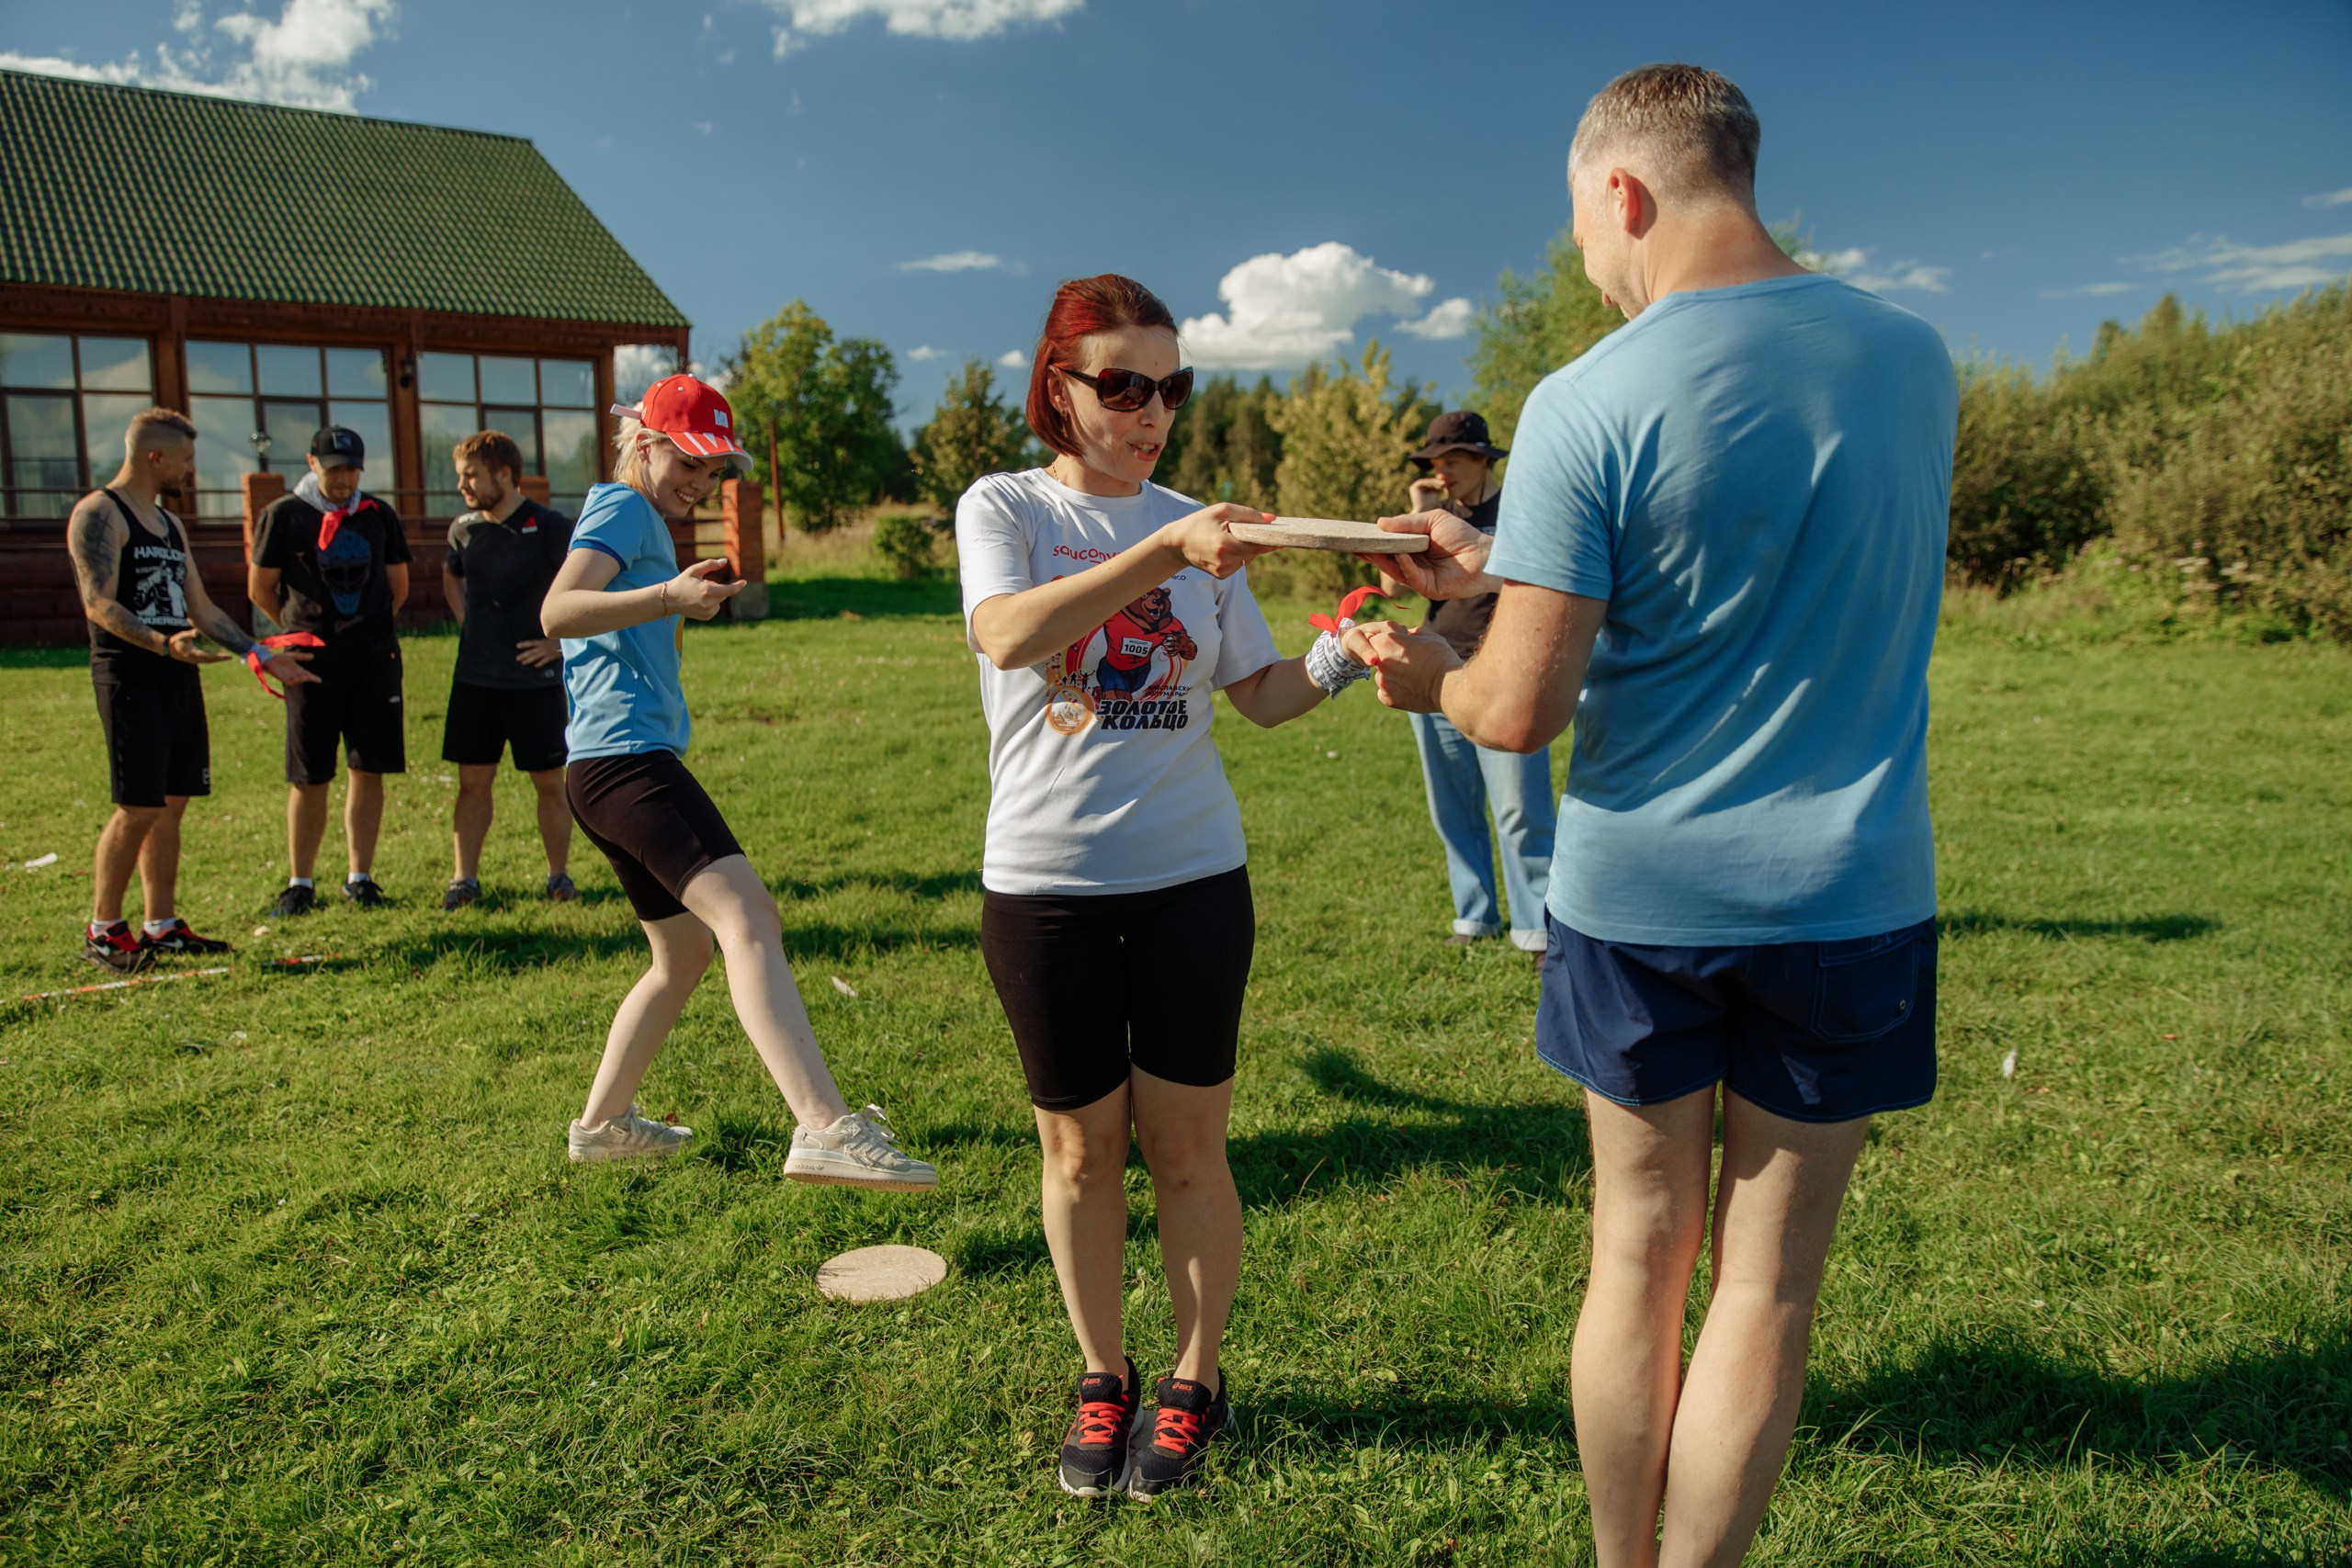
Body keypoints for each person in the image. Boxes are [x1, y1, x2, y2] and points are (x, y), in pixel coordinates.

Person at [1352, 63, 1956, 1568]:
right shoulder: (1913, 357)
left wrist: (1429, 672)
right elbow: (1744, 555)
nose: (1587, 260)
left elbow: (1517, 710)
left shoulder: (1588, 395)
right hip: (1853, 892)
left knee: (1636, 1256)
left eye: (1580, 225)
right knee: (1767, 1285)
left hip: (1641, 904)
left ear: (1623, 191)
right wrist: (1496, 565)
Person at [956, 274, 1373, 1501]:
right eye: (1124, 385)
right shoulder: (1008, 506)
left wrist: (1345, 654)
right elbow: (1008, 635)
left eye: (1172, 386)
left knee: (1188, 1153)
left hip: (1191, 879)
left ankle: (1194, 1380)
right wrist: (1162, 550)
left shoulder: (1203, 531)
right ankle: (1103, 1373)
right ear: (1060, 388)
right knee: (1080, 1155)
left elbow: (1262, 695)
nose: (1153, 411)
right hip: (1044, 888)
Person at [539, 373, 938, 1191]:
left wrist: (674, 600)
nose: (700, 481)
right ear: (644, 443)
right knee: (749, 916)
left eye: (713, 469)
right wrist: (670, 595)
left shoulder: (640, 518)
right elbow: (558, 610)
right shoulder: (623, 507)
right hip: (625, 762)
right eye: (687, 462)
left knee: (682, 953)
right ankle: (825, 1126)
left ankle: (603, 1126)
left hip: (604, 766)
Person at [68, 409, 319, 971]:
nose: (190, 470)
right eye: (184, 460)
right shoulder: (99, 513)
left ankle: (161, 925)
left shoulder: (169, 524)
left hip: (177, 671)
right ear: (154, 457)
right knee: (138, 805)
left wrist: (258, 653)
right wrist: (162, 644)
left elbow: (200, 606)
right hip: (131, 674)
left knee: (171, 802)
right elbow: (97, 602)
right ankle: (104, 931)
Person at [1381, 411, 1556, 954]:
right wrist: (1417, 512)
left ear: (1483, 459)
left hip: (1504, 677)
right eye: (1434, 462)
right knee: (1452, 807)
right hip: (1436, 675)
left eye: (1453, 460)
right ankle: (1475, 917)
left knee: (1520, 810)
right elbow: (1391, 585)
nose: (1442, 471)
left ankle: (1536, 931)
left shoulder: (1520, 511)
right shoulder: (1439, 517)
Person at [249, 425, 412, 914]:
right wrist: (298, 633)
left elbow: (398, 586)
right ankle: (300, 882)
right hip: (310, 665)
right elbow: (261, 588)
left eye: (352, 469)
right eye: (334, 469)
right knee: (309, 775)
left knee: (368, 768)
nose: (344, 479)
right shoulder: (284, 515)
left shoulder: (378, 514)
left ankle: (360, 877)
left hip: (373, 661)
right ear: (312, 463)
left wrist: (367, 631)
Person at [438, 431, 577, 909]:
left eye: (471, 476)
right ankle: (464, 880)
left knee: (549, 784)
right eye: (461, 476)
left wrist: (560, 644)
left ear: (503, 474)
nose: (463, 485)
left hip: (534, 682)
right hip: (475, 679)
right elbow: (451, 574)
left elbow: (589, 586)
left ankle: (558, 876)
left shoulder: (550, 526)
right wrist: (466, 621)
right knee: (472, 783)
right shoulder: (463, 529)